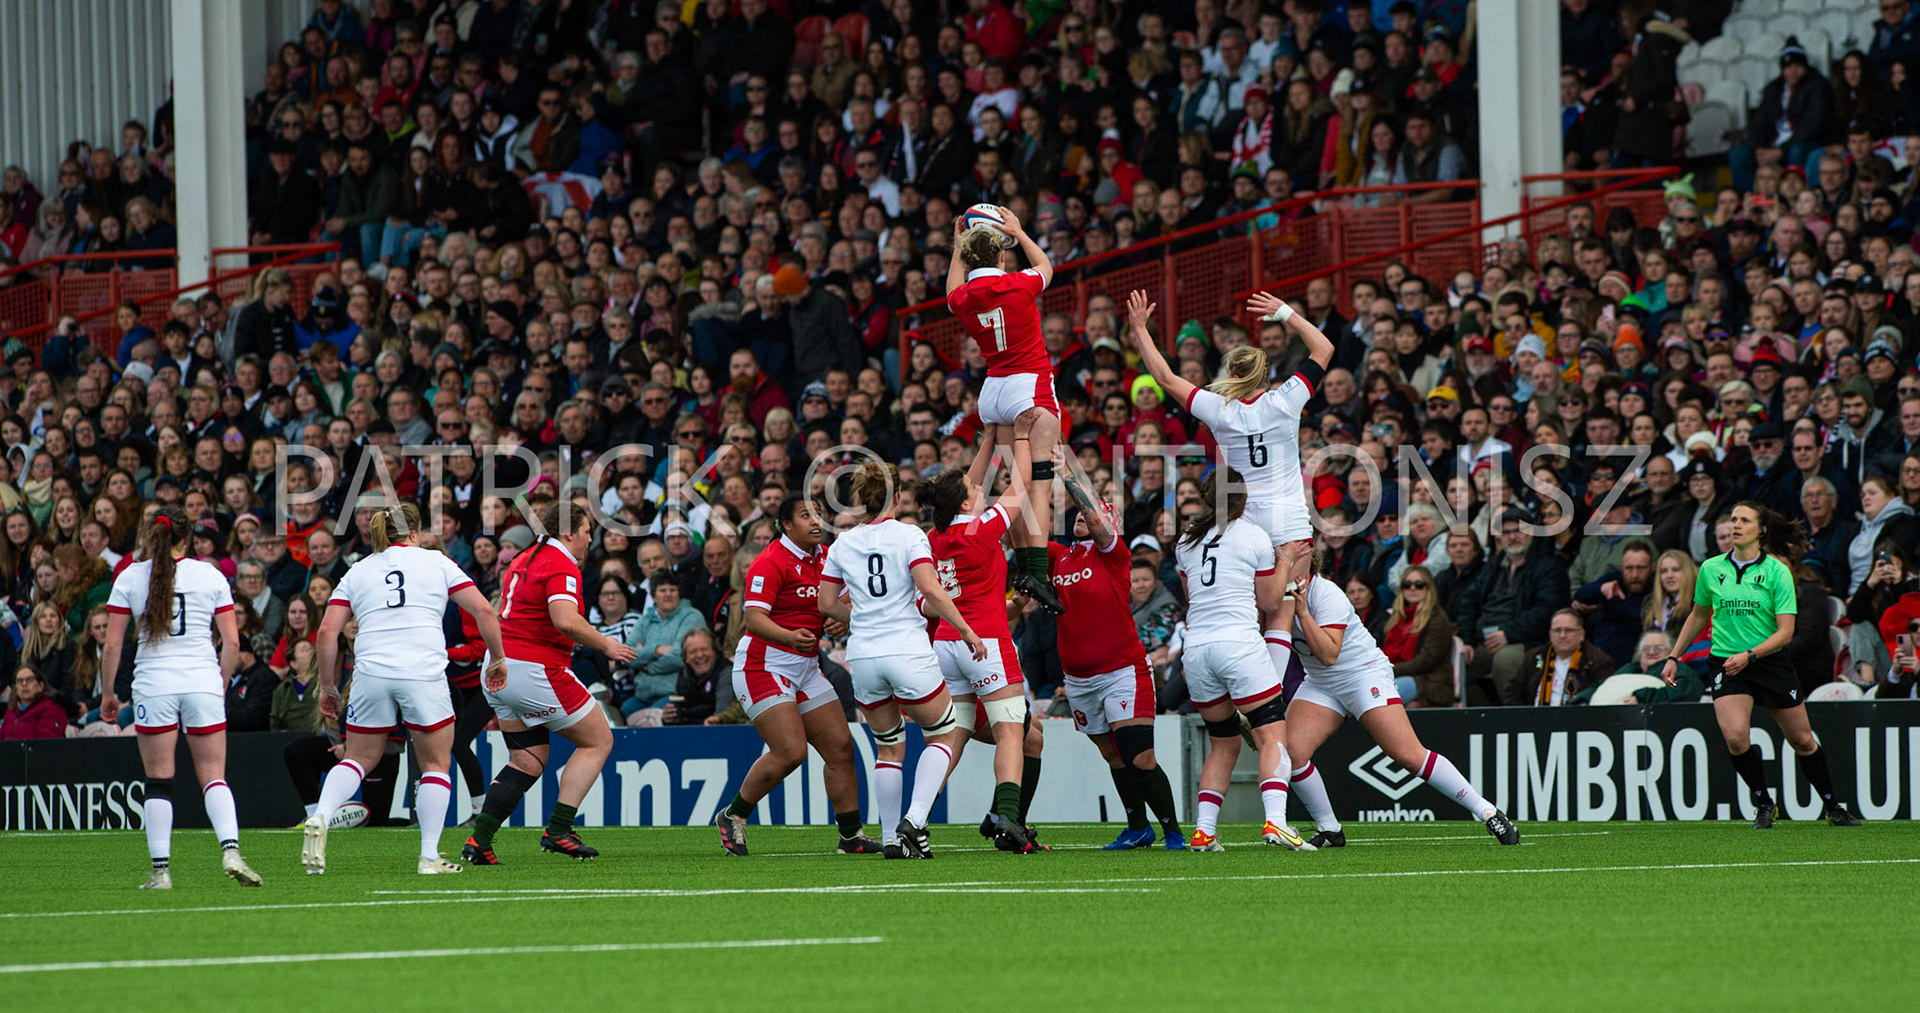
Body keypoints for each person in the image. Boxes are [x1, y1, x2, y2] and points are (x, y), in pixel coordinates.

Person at [1126, 286, 1333, 692]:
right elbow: (1323, 348)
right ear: (1266, 374)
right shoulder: (1286, 399)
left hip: (1243, 524)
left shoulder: (1219, 410)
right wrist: (1284, 312)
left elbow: (1166, 378)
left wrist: (1139, 330)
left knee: (1251, 613)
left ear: (1232, 376)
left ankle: (1246, 693)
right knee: (1283, 610)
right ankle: (1271, 694)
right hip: (1289, 520)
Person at [303, 502, 508, 876]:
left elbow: (327, 632)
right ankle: (429, 856)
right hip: (422, 671)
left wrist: (329, 686)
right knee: (435, 763)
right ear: (414, 533)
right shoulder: (436, 563)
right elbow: (485, 612)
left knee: (358, 758)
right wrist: (497, 658)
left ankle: (320, 814)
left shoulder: (357, 570)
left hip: (371, 672)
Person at [1278, 546, 1521, 848]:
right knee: (1291, 753)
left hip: (1362, 675)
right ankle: (1329, 829)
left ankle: (1487, 811)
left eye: (1285, 558)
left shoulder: (1326, 594)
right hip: (1320, 683)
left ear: (1307, 562)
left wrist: (1300, 611)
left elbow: (1328, 655)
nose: (1279, 565)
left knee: (1408, 755)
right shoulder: (1273, 594)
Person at [817, 458, 986, 858]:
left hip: (863, 656)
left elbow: (826, 601)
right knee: (943, 734)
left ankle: (892, 837)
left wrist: (861, 619)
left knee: (889, 747)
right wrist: (966, 630)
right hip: (907, 649)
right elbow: (930, 589)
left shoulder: (844, 542)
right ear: (897, 495)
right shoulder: (909, 535)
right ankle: (917, 821)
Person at [1660, 502, 1864, 828]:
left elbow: (1786, 632)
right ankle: (1764, 803)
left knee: (1801, 739)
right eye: (1733, 520)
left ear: (1761, 529)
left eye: (1744, 520)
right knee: (1736, 737)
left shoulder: (1776, 572)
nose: (1735, 525)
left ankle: (1831, 806)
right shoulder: (1711, 568)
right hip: (1727, 662)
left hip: (1768, 663)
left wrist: (1751, 655)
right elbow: (1699, 614)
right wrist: (1674, 656)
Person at [462, 502, 639, 865]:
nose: (591, 538)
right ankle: (559, 829)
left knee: (526, 761)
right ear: (569, 532)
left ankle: (479, 840)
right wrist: (607, 644)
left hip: (498, 667)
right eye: (587, 530)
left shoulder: (524, 557)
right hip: (534, 668)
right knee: (599, 740)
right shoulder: (560, 562)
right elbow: (565, 621)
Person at [99, 505, 262, 890]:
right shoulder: (210, 574)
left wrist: (108, 693)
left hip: (154, 684)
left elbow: (112, 644)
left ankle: (161, 872)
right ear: (187, 539)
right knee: (213, 777)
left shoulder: (130, 577)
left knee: (158, 781)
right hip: (201, 680)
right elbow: (232, 641)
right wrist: (219, 684)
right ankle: (231, 850)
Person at [712, 495, 881, 856]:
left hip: (804, 668)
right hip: (763, 666)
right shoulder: (770, 561)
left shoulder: (826, 556)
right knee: (790, 752)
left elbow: (849, 597)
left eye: (819, 513)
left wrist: (842, 610)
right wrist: (789, 636)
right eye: (806, 515)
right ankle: (734, 815)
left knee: (840, 747)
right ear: (786, 525)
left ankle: (851, 837)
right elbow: (753, 620)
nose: (816, 520)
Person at [1175, 467, 1312, 852]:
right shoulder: (1253, 535)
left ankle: (1204, 831)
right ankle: (1277, 823)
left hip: (1198, 650)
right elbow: (1269, 602)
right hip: (1238, 644)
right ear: (1243, 497)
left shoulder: (1187, 539)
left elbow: (1191, 595)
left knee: (1223, 743)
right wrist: (1284, 559)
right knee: (1271, 735)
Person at [1053, 455, 1185, 850]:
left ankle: (1173, 831)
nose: (1084, 516)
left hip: (1121, 670)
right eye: (1077, 513)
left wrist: (1067, 473)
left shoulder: (1114, 555)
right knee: (1113, 756)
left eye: (1094, 513)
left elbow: (1096, 517)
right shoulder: (1059, 557)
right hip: (1077, 679)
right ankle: (1137, 828)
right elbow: (1017, 537)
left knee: (1139, 756)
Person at [918, 449, 1045, 851]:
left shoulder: (936, 537)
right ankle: (1007, 817)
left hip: (947, 643)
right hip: (985, 642)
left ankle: (915, 817)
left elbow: (959, 488)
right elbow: (1021, 486)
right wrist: (1021, 440)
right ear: (965, 502)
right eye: (975, 489)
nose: (982, 490)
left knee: (954, 735)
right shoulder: (982, 529)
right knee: (1012, 730)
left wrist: (989, 439)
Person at [943, 207, 1063, 614]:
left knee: (1012, 483)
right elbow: (1047, 266)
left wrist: (958, 244)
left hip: (992, 389)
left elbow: (950, 288)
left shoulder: (962, 298)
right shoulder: (1017, 285)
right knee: (1038, 483)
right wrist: (1021, 231)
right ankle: (1038, 573)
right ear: (1002, 256)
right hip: (1028, 384)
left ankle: (1024, 570)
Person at [1381, 564, 1457, 707]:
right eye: (1407, 584)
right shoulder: (1395, 619)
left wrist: (1390, 670)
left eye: (1419, 584)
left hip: (1430, 682)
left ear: (1429, 589)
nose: (1412, 588)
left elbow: (1426, 661)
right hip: (1399, 675)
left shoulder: (1438, 619)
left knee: (1384, 695)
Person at [1, 666, 66, 739]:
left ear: (40, 686)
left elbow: (46, 743)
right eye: (19, 681)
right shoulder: (11, 711)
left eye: (29, 680)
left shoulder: (51, 708)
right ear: (16, 688)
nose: (24, 684)